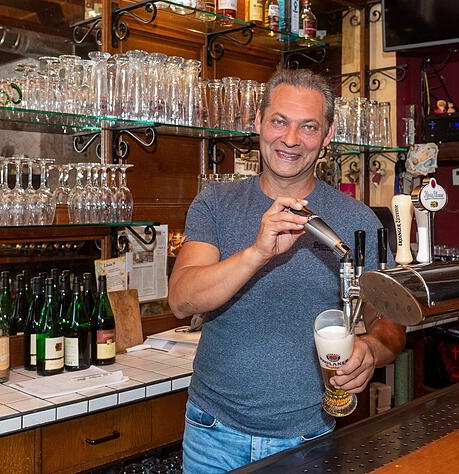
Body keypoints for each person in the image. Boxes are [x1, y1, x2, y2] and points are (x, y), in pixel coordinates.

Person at [168, 68, 406, 473]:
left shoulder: (356, 219)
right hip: (214, 433)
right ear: (258, 122)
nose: (291, 139)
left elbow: (390, 325)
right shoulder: (217, 204)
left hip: (309, 438)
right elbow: (181, 298)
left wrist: (370, 349)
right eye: (279, 121)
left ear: (327, 136)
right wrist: (258, 252)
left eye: (308, 127)